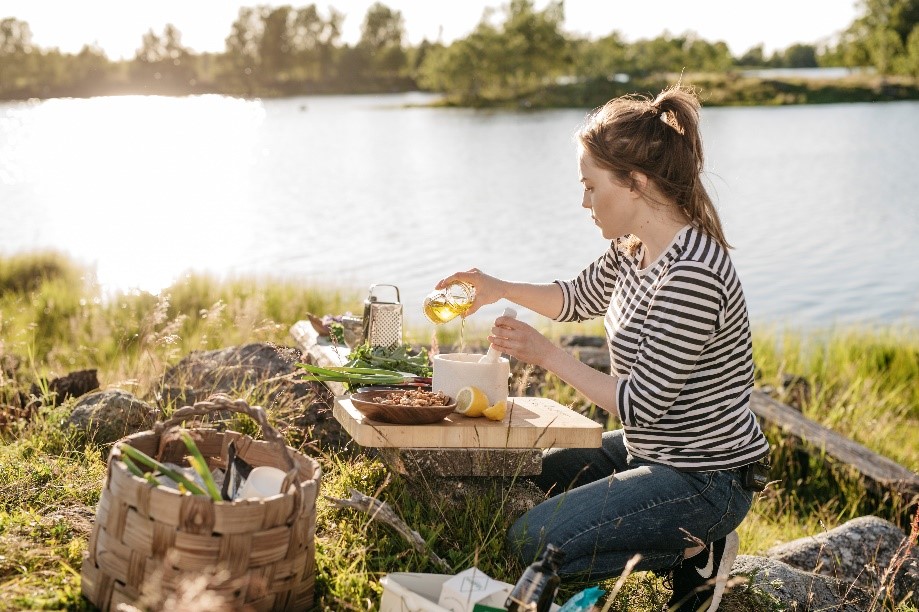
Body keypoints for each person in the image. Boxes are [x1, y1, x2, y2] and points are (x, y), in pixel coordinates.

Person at [433, 85, 770, 612]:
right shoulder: (633, 248)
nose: (584, 202)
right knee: (522, 473)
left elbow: (640, 403)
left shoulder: (692, 275)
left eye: (591, 187)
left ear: (635, 183)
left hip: (704, 478)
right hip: (646, 450)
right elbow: (573, 298)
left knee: (530, 541)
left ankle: (697, 546)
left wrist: (547, 355)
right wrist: (497, 286)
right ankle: (666, 533)